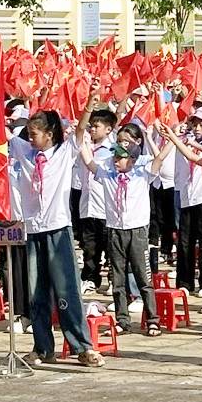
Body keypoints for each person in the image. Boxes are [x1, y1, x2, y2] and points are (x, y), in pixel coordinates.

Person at [9, 110, 105, 368]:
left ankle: (82, 346)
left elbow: (81, 131)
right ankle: (42, 347)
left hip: (58, 230)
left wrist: (88, 105)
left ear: (50, 135)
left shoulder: (64, 153)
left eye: (34, 134)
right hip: (33, 230)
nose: (29, 139)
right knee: (36, 292)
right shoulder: (25, 153)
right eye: (28, 134)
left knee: (66, 290)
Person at [81, 139, 160, 336]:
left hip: (138, 231)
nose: (115, 160)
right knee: (117, 278)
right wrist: (80, 138)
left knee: (143, 276)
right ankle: (122, 320)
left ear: (132, 160)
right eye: (114, 155)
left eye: (120, 157)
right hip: (115, 230)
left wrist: (162, 138)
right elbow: (89, 162)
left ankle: (152, 320)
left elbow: (160, 158)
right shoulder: (108, 175)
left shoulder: (142, 175)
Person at [161, 108, 202, 297]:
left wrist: (190, 142)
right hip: (186, 194)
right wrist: (175, 136)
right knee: (185, 241)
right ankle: (185, 281)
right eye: (195, 124)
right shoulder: (184, 140)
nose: (198, 128)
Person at [75, 99, 116, 294]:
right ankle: (91, 278)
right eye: (91, 126)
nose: (93, 129)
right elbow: (79, 134)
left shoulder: (113, 150)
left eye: (97, 126)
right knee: (90, 247)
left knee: (110, 247)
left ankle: (113, 279)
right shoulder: (86, 146)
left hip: (106, 206)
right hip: (87, 204)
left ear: (108, 129)